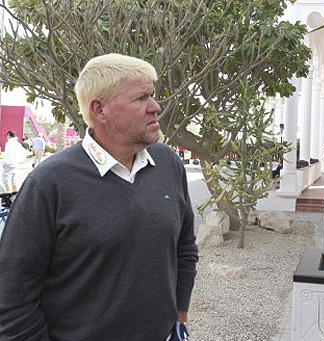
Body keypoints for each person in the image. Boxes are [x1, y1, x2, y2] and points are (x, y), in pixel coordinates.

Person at [0, 54, 199, 340]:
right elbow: (13, 297)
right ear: (100, 109)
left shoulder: (168, 163)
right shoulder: (48, 184)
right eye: (142, 98)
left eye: (153, 95)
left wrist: (179, 316)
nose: (155, 107)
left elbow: (184, 247)